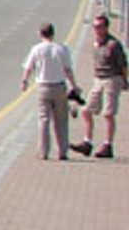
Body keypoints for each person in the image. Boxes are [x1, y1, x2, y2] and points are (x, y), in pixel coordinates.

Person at [19, 21, 77, 161]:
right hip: (59, 86)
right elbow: (68, 69)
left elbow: (29, 67)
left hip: (43, 87)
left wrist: (24, 81)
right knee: (61, 121)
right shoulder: (61, 49)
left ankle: (44, 151)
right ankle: (62, 151)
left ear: (40, 34)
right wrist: (74, 85)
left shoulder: (37, 49)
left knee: (44, 120)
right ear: (53, 33)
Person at [74, 14, 127, 160]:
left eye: (99, 27)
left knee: (108, 114)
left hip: (112, 78)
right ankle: (87, 142)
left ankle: (108, 145)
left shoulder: (113, 44)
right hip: (99, 78)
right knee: (86, 110)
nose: (96, 30)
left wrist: (124, 80)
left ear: (105, 28)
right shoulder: (95, 43)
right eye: (94, 27)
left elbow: (123, 64)